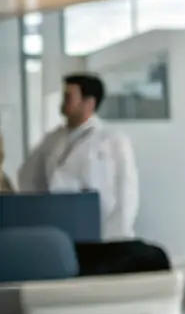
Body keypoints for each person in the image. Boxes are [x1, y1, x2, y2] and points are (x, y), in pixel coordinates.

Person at [18, 73, 138, 239]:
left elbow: (127, 193)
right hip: (56, 227)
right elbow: (28, 177)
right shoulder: (52, 139)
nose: (63, 102)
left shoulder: (112, 140)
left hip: (100, 230)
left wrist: (117, 236)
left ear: (89, 102)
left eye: (69, 97)